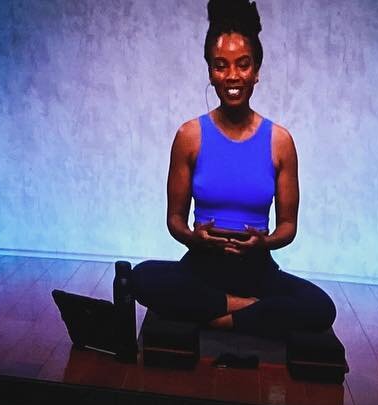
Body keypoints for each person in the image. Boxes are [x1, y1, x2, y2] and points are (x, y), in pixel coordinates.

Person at [129, 0, 336, 343]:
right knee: (139, 277)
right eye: (221, 66)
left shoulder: (280, 141)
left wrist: (264, 242)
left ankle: (216, 317)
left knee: (320, 307)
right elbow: (175, 220)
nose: (232, 76)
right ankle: (242, 309)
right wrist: (193, 238)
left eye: (243, 65)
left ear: (256, 70)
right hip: (201, 267)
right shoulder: (189, 136)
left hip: (257, 268)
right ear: (210, 72)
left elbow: (288, 226)